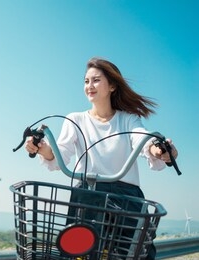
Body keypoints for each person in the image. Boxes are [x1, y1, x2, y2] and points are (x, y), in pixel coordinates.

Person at [25, 57, 178, 260]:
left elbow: (141, 137)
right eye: (86, 81)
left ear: (112, 86)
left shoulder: (128, 118)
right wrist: (43, 149)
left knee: (137, 253)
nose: (89, 86)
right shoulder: (75, 119)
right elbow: (59, 153)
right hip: (88, 195)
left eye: (96, 80)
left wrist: (158, 149)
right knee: (80, 253)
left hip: (127, 197)